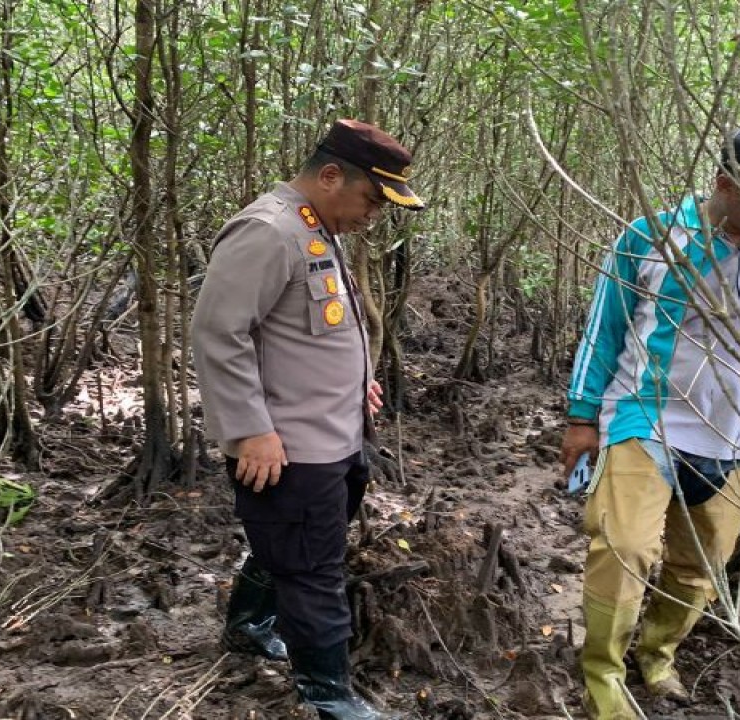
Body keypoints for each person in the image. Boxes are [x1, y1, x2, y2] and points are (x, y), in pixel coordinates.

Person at [559, 127, 740, 718]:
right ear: (727, 184)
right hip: (644, 417)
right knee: (623, 547)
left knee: (701, 564)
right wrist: (581, 417)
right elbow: (605, 328)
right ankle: (603, 677)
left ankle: (657, 654)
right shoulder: (652, 237)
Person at [191, 118, 423, 720]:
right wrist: (250, 431)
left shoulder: (313, 227)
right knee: (314, 572)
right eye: (373, 199)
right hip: (288, 450)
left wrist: (356, 385)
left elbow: (304, 332)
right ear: (328, 176)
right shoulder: (268, 231)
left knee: (290, 549)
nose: (375, 214)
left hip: (335, 437)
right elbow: (219, 333)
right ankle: (331, 699)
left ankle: (247, 627)